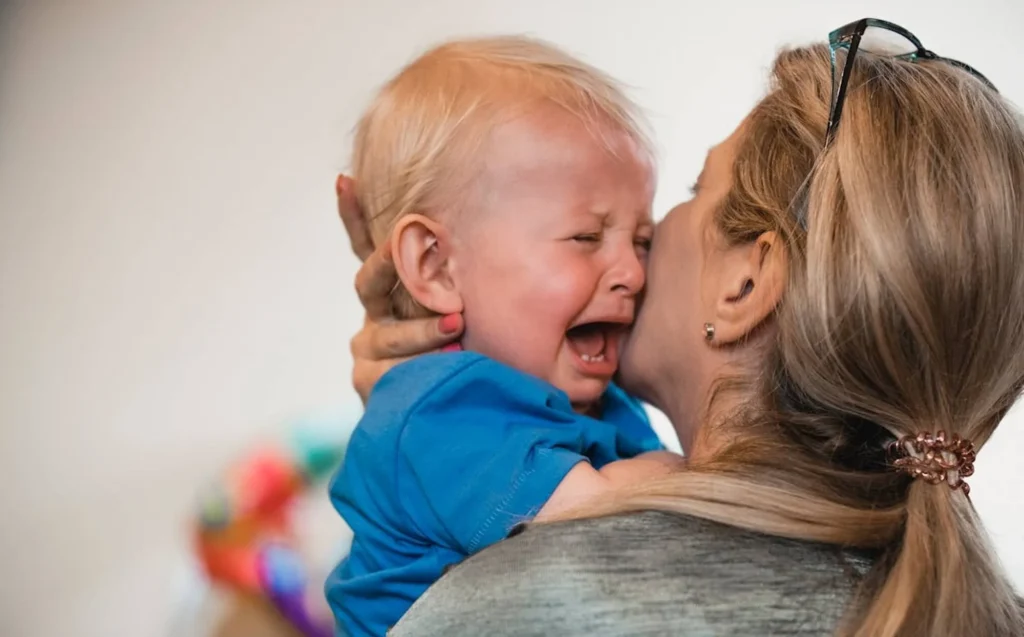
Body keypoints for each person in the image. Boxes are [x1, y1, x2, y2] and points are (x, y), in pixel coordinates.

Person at [338, 19, 1024, 637]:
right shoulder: (971, 602)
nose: (632, 267)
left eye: (691, 194)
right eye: (584, 235)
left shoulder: (531, 605)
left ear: (745, 284)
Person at [325, 37, 686, 637]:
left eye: (640, 240)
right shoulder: (433, 408)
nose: (633, 272)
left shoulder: (604, 402)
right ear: (438, 267)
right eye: (586, 238)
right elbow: (594, 518)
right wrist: (701, 467)